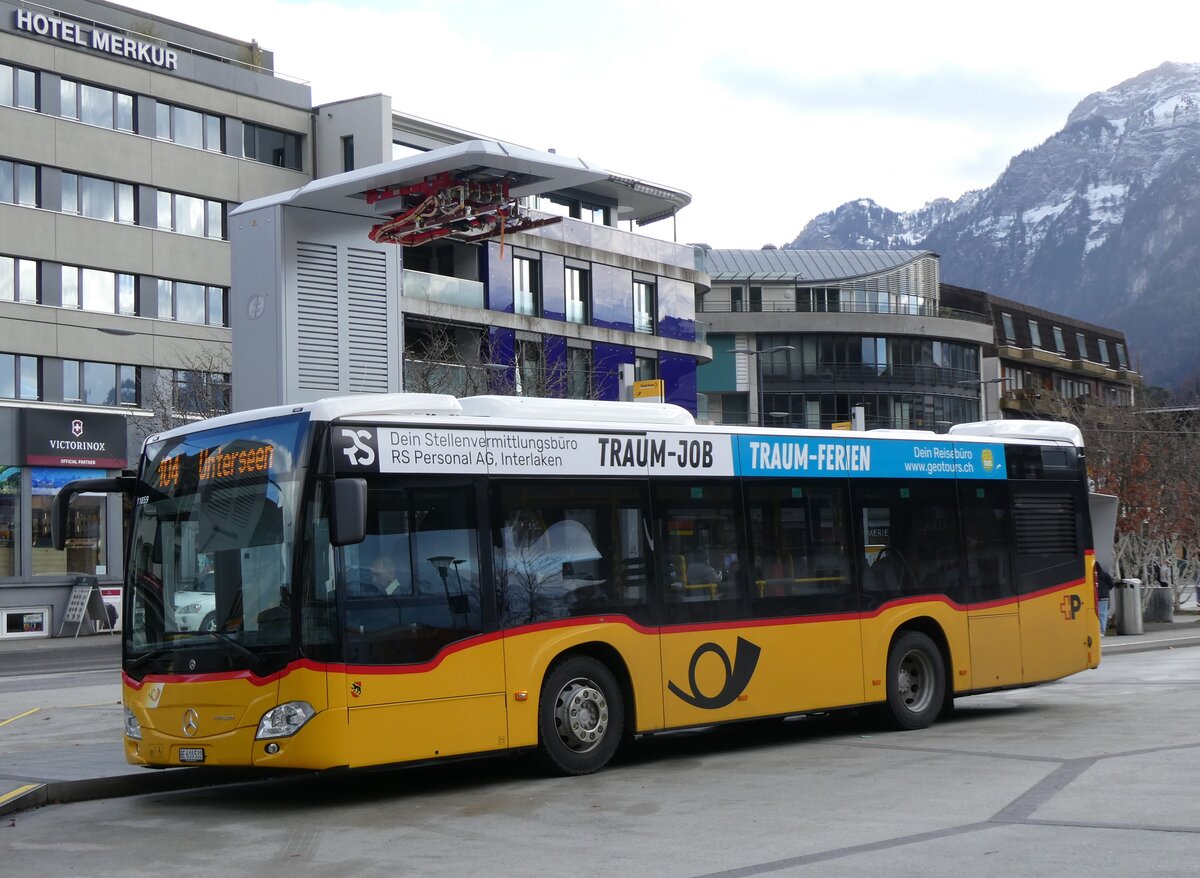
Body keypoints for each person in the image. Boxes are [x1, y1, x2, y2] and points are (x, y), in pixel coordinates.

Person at [1095, 561, 1114, 635]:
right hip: (1104, 597)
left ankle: (1102, 631)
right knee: (1102, 614)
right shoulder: (1105, 575)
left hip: (1100, 597)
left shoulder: (1095, 576)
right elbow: (1111, 584)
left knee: (1101, 614)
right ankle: (1101, 631)